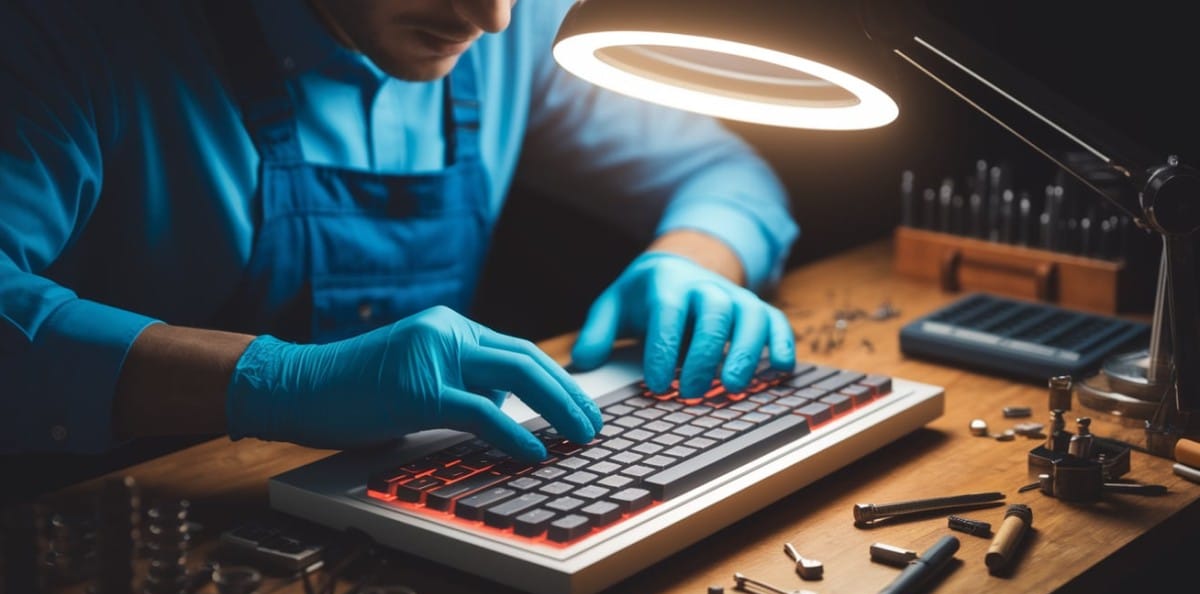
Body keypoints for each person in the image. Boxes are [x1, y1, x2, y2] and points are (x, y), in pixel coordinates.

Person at [0, 0, 799, 462]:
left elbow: (725, 177)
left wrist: (694, 262)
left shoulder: (513, 25)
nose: (488, 17)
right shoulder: (78, 34)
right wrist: (277, 382)